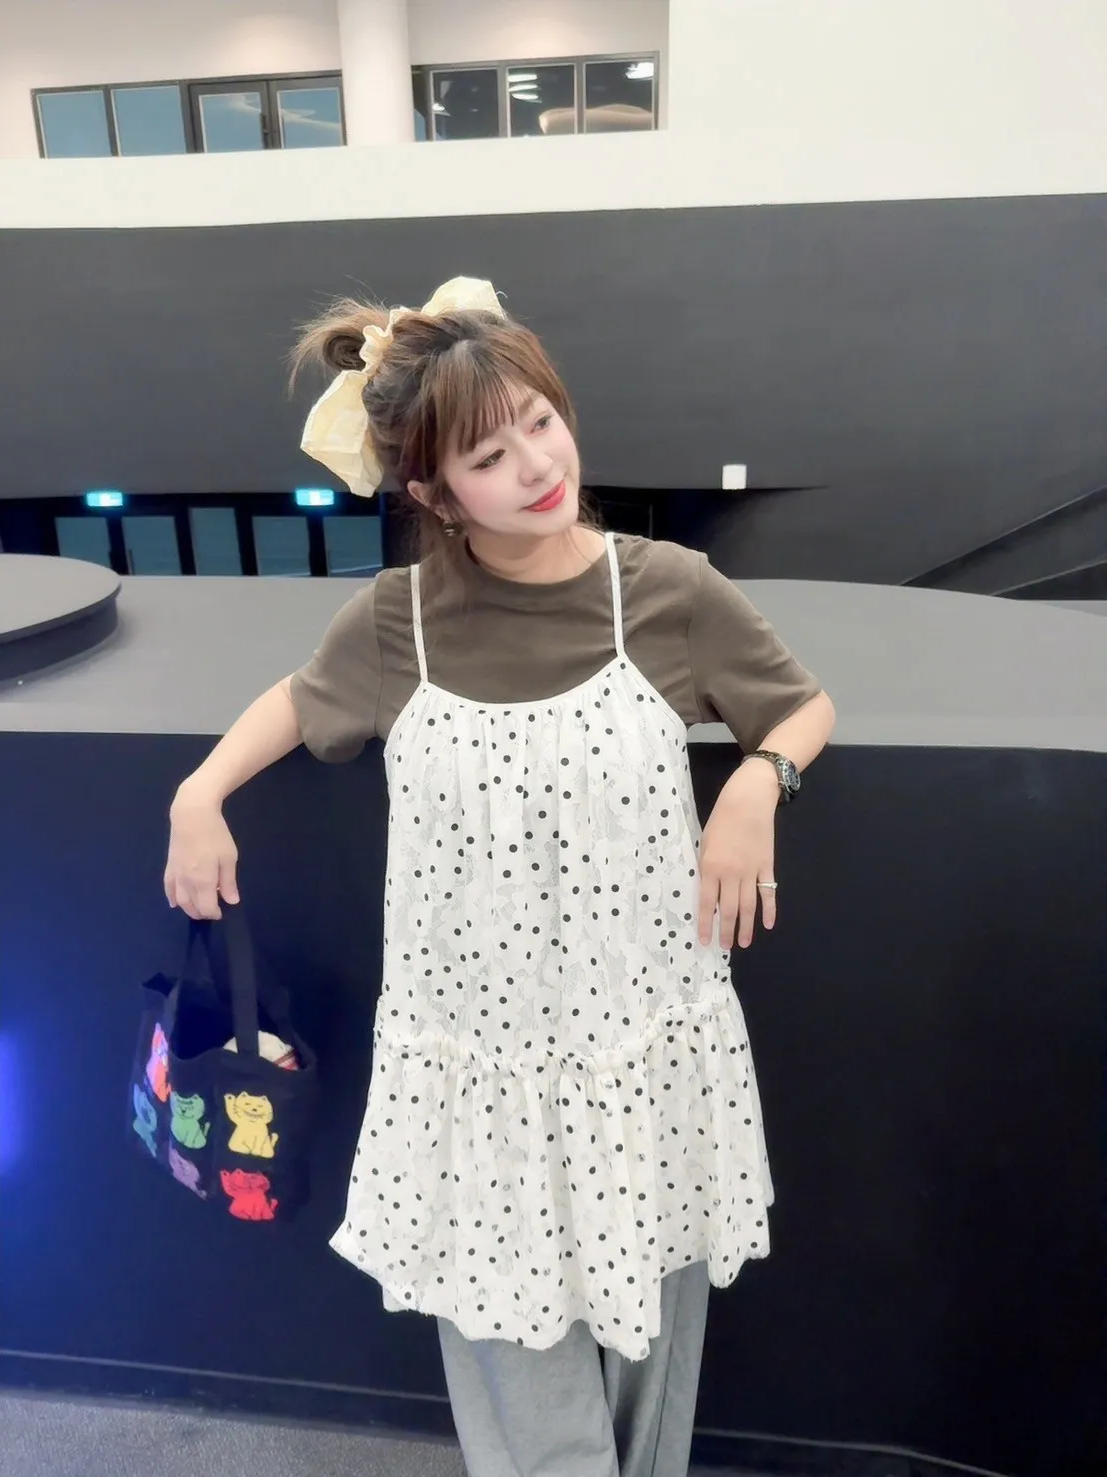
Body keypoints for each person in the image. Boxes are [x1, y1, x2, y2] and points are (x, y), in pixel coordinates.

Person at [164, 277, 835, 1477]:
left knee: (649, 1387)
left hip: (644, 1053)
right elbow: (300, 702)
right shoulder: (400, 623)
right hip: (477, 1076)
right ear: (433, 492)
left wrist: (754, 783)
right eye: (489, 454)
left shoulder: (665, 591)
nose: (536, 464)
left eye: (541, 420)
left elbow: (798, 706)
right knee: (530, 1409)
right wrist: (198, 794)